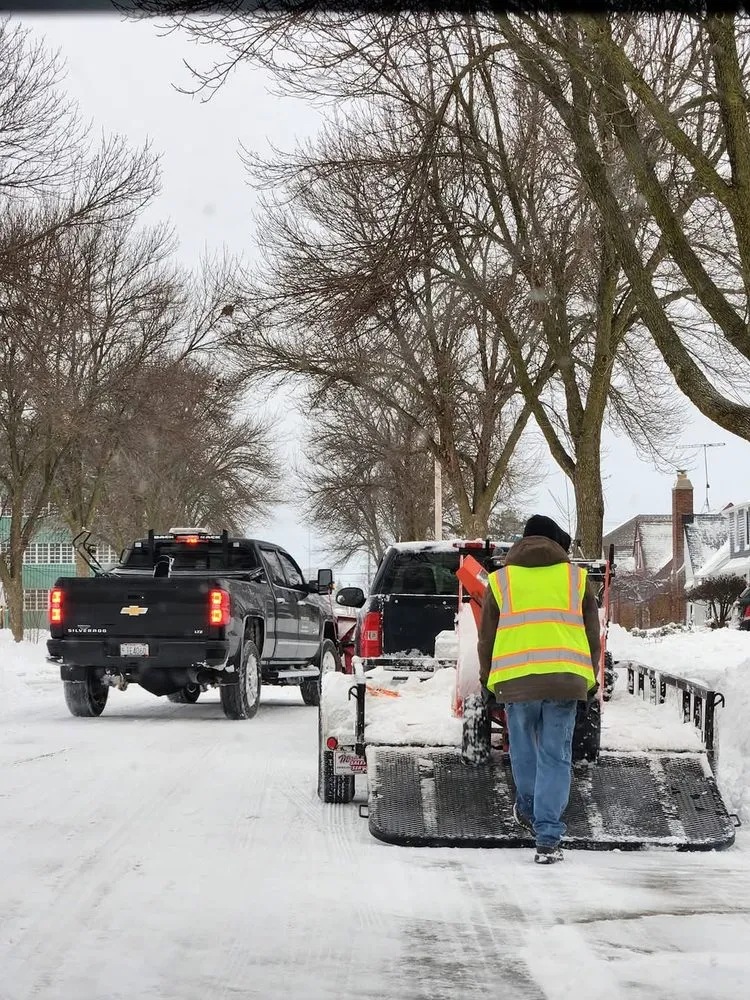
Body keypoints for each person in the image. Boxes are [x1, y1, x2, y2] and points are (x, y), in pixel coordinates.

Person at [477, 515, 601, 864]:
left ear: (521, 542)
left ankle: (529, 811)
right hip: (565, 679)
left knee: (524, 750)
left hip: (515, 681)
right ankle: (548, 838)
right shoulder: (577, 578)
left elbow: (486, 638)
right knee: (555, 754)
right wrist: (589, 680)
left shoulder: (500, 580)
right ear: (558, 544)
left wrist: (488, 680)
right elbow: (593, 635)